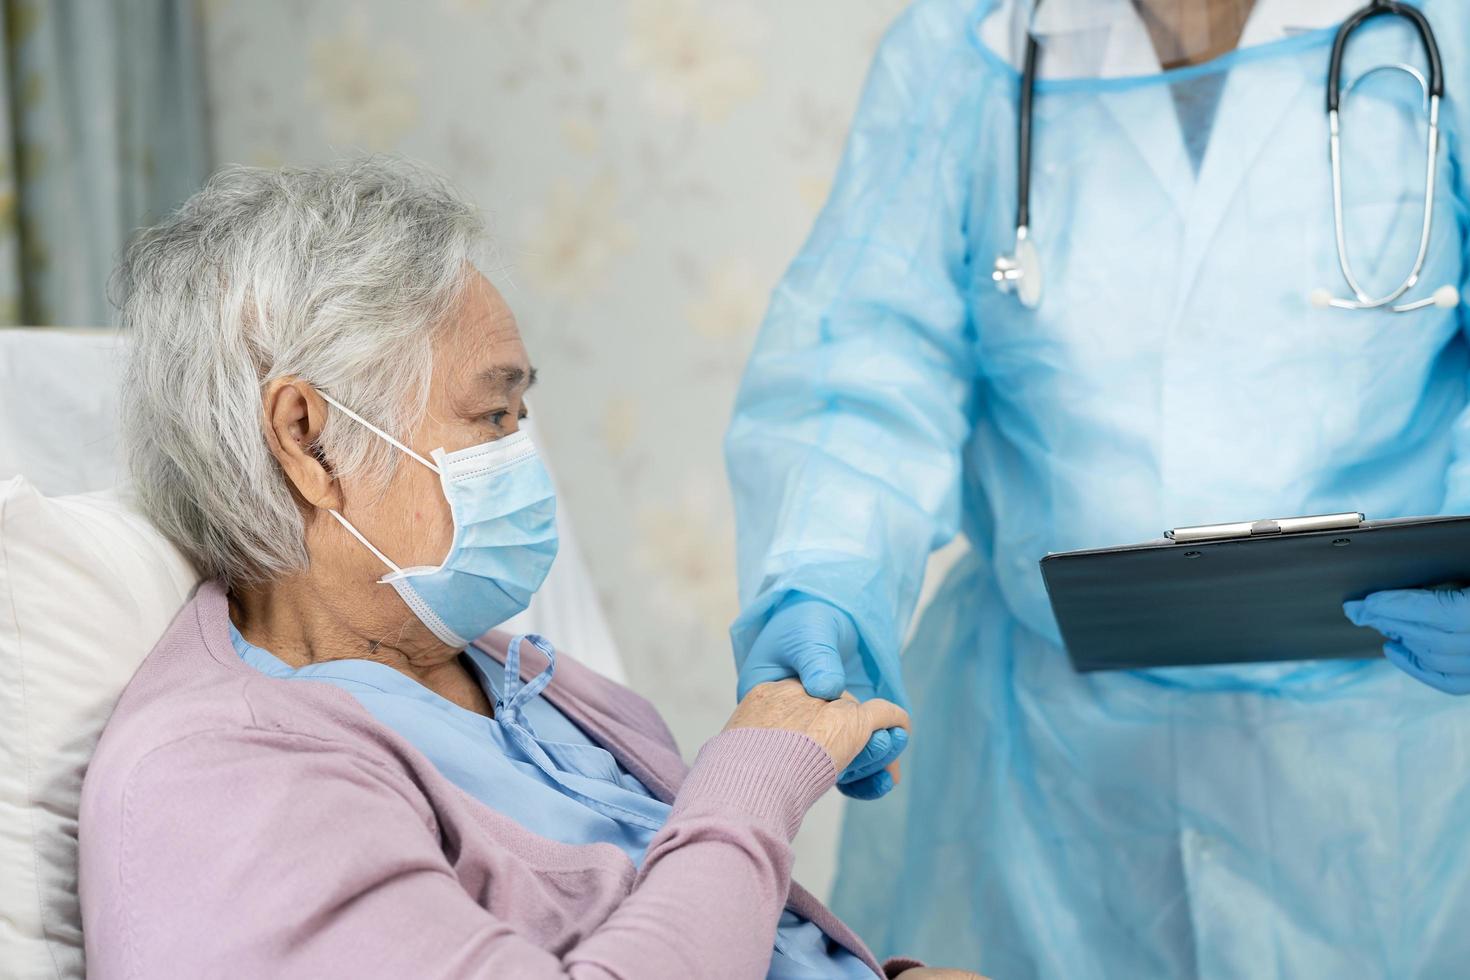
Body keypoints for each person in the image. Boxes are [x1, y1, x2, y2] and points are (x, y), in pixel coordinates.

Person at [78, 158, 982, 980]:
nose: (525, 456)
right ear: (311, 441)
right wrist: (751, 782)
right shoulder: (221, 780)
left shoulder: (530, 681)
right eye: (493, 418)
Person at [725, 0, 1470, 976]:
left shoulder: (1445, 31)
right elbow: (863, 364)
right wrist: (822, 576)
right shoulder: (965, 52)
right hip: (1044, 781)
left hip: (1390, 770)